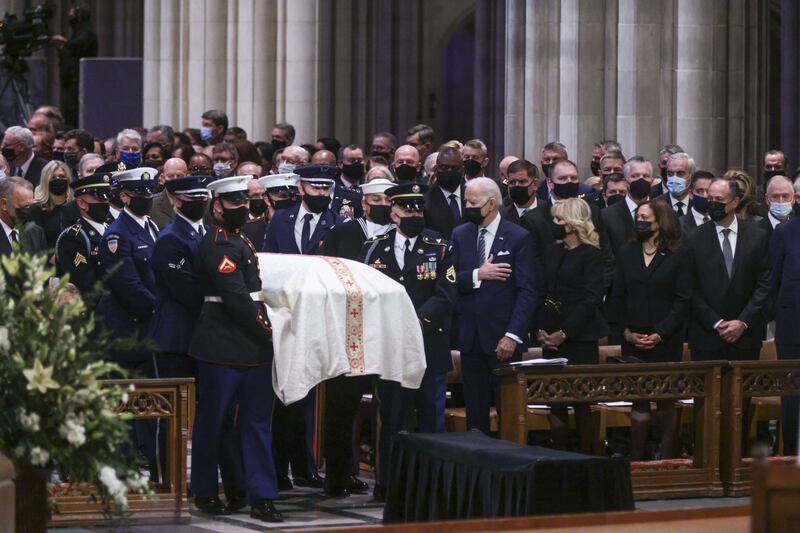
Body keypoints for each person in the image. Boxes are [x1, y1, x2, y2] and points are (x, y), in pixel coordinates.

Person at [189, 175, 281, 522]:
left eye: (244, 202)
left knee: (257, 424)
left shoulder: (238, 239)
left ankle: (260, 494)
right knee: (214, 423)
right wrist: (268, 330)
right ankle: (206, 491)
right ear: (217, 206)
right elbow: (235, 299)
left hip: (251, 348)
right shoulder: (217, 243)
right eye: (234, 203)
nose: (242, 208)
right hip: (222, 347)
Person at [359, 182, 457, 500]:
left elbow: (446, 294)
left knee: (431, 415)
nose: (414, 213)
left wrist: (414, 321)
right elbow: (366, 293)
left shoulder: (439, 246)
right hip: (389, 346)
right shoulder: (374, 247)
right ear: (394, 211)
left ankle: (433, 484)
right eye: (407, 208)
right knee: (391, 417)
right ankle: (388, 482)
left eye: (418, 208)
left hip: (428, 342)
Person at [263, 165, 345, 491]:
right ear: (300, 187)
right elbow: (267, 263)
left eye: (326, 189)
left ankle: (306, 467)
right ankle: (279, 468)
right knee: (282, 397)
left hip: (317, 320)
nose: (322, 195)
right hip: (282, 318)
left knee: (308, 398)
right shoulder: (281, 220)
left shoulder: (338, 223)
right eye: (316, 188)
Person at [449, 177, 536, 434]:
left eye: (472, 202)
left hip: (503, 339)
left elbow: (528, 291)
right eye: (466, 201)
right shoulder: (460, 233)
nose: (467, 206)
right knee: (475, 414)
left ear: (490, 204)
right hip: (471, 339)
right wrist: (478, 274)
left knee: (508, 411)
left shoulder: (519, 236)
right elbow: (450, 278)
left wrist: (512, 335)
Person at [610, 201, 691, 460]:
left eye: (646, 217)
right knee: (639, 400)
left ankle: (666, 460)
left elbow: (683, 299)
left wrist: (661, 333)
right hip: (633, 338)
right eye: (638, 217)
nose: (640, 222)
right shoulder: (627, 251)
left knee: (666, 401)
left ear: (660, 222)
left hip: (665, 339)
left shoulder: (678, 253)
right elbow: (617, 296)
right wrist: (626, 332)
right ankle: (636, 460)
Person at [536, 198, 607, 454]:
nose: (553, 223)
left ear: (573, 223)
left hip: (579, 338)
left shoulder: (591, 255)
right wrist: (542, 331)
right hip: (551, 336)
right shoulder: (553, 251)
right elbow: (544, 292)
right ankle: (558, 455)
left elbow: (591, 300)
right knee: (554, 401)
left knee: (581, 402)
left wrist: (564, 333)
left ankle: (586, 456)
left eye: (558, 219)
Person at [688, 178, 770, 361]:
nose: (712, 204)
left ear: (734, 202)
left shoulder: (757, 236)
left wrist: (743, 322)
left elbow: (764, 284)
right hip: (706, 336)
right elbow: (689, 287)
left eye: (719, 200)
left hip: (746, 337)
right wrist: (716, 323)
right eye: (710, 199)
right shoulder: (693, 238)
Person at [97, 166, 161, 366]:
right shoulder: (117, 235)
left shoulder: (150, 225)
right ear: (124, 197)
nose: (147, 196)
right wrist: (159, 309)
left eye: (150, 191)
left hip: (150, 322)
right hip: (130, 323)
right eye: (140, 192)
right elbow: (129, 286)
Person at [769, 207, 800, 455]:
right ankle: (791, 457)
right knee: (792, 398)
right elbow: (774, 279)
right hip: (792, 329)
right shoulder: (786, 231)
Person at [54, 170, 112, 295]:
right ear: (82, 204)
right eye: (101, 199)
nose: (106, 203)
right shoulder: (73, 238)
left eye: (107, 198)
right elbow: (84, 283)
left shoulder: (111, 229)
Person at [322, 178, 394, 260]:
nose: (384, 204)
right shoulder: (341, 232)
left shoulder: (400, 232)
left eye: (389, 200)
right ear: (363, 204)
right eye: (376, 200)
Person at [30, 160, 80, 249]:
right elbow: (35, 243)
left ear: (68, 179)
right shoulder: (36, 210)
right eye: (53, 177)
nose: (58, 180)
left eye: (62, 176)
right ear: (46, 181)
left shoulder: (77, 206)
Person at [423, 147, 466, 239]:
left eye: (455, 168)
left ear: (462, 170)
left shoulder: (472, 195)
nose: (449, 171)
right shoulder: (425, 200)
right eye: (444, 167)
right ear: (436, 169)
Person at [0, 176, 47, 257]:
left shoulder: (36, 233)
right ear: (4, 204)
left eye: (30, 206)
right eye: (24, 207)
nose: (27, 211)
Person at [150, 158, 190, 230]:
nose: (175, 180)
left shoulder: (199, 203)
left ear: (187, 176)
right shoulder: (151, 205)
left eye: (179, 176)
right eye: (170, 176)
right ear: (162, 178)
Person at [500, 159, 540, 225]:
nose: (516, 186)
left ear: (535, 184)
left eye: (522, 182)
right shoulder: (500, 217)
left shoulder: (549, 212)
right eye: (512, 182)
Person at [679, 170, 714, 237]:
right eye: (700, 191)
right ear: (691, 194)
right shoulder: (679, 224)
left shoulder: (720, 222)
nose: (705, 195)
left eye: (709, 191)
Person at [759, 175, 795, 241]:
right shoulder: (755, 231)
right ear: (767, 199)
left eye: (785, 196)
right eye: (775, 196)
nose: (780, 201)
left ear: (793, 199)